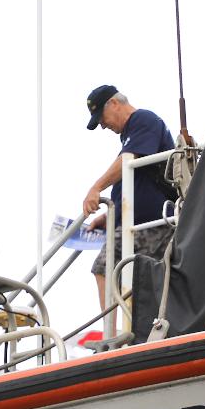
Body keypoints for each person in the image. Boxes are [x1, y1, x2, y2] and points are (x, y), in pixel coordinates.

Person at [81, 85, 177, 309]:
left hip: (151, 223)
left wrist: (96, 188)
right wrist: (110, 216)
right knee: (135, 282)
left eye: (101, 118)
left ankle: (110, 336)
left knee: (105, 268)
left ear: (114, 104)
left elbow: (127, 160)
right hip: (138, 223)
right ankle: (130, 331)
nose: (103, 126)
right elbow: (135, 179)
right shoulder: (133, 134)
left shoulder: (143, 120)